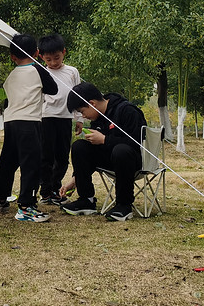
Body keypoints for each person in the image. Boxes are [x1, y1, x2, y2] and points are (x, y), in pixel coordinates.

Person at [0, 34, 58, 223]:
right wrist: (39, 67)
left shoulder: (11, 76)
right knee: (31, 164)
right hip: (29, 122)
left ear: (13, 57)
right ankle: (26, 207)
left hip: (11, 121)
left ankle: (0, 199)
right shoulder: (37, 70)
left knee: (8, 161)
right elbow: (53, 88)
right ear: (37, 53)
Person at [61, 81, 147, 222]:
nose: (84, 117)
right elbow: (95, 151)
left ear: (92, 103)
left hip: (132, 161)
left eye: (82, 112)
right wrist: (75, 179)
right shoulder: (98, 118)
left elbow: (137, 143)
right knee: (79, 146)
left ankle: (124, 205)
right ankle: (86, 200)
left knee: (121, 150)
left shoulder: (128, 111)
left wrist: (105, 140)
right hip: (109, 160)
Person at [37, 34, 81, 206]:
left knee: (62, 157)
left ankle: (55, 189)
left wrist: (79, 118)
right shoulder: (41, 71)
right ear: (41, 56)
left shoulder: (72, 72)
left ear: (64, 52)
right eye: (49, 59)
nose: (53, 63)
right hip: (46, 117)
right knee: (46, 156)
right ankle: (45, 191)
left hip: (65, 118)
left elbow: (78, 96)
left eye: (57, 58)